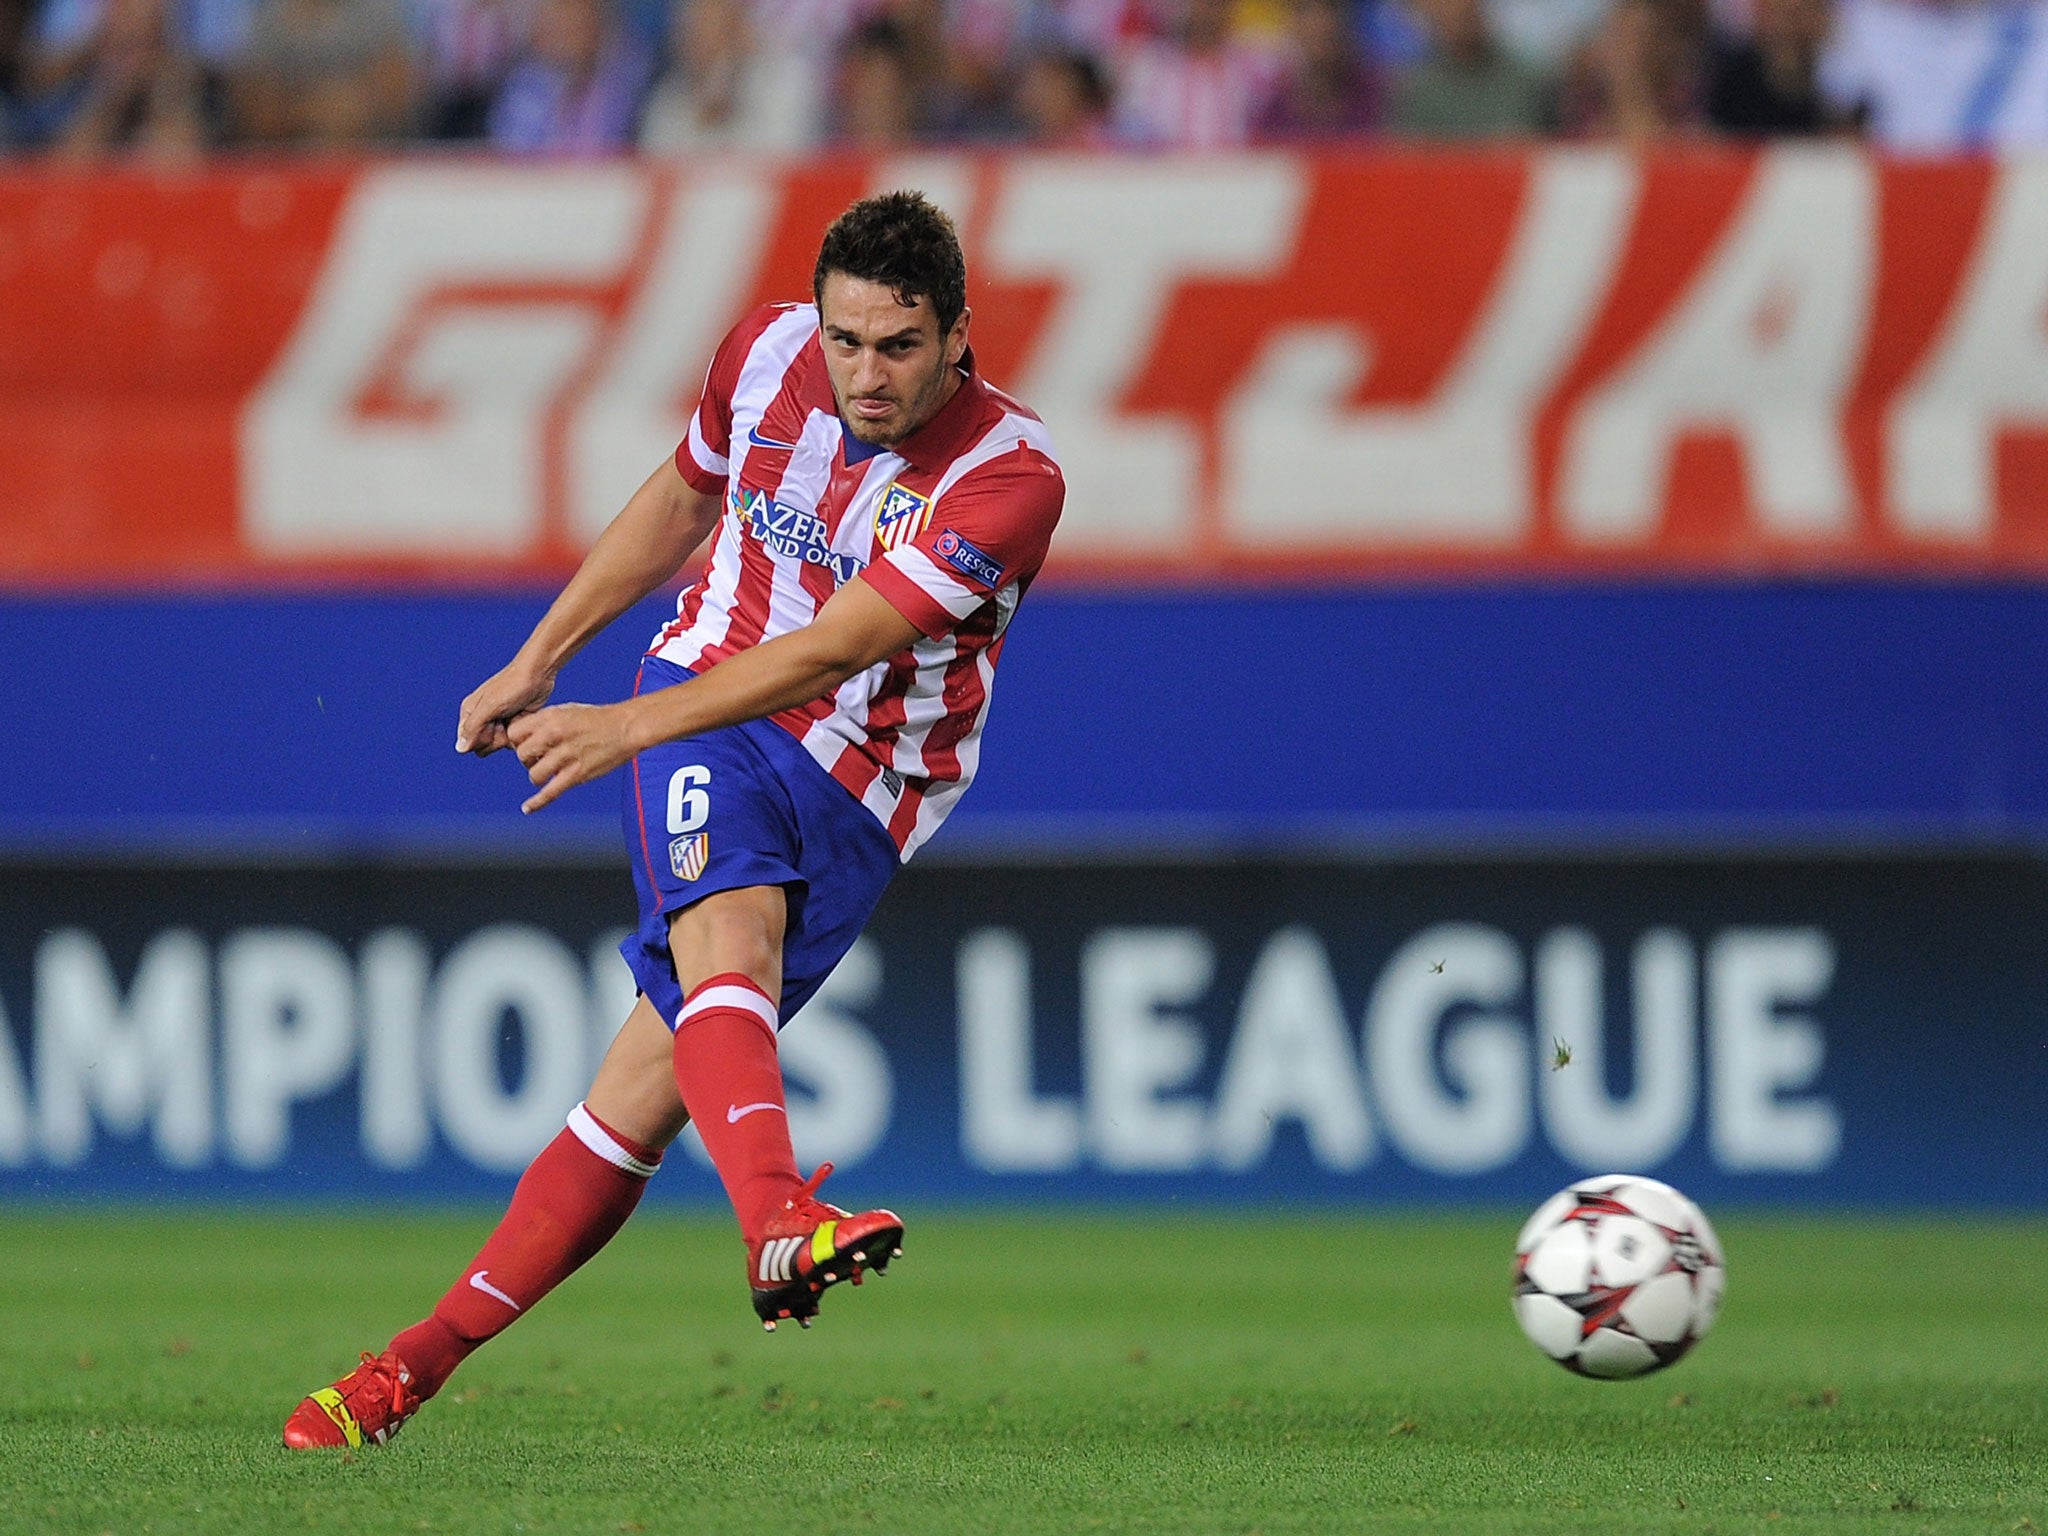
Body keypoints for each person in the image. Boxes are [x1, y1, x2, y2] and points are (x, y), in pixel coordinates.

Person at [280, 190, 1066, 1451]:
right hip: (709, 694)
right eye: (845, 340)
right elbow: (682, 499)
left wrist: (619, 731)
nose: (865, 374)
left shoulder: (1009, 480)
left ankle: (406, 1369)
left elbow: (840, 648)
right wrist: (547, 658)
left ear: (960, 335)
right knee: (729, 944)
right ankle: (775, 1221)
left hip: (868, 788)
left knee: (640, 1099)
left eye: (900, 345)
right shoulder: (760, 356)